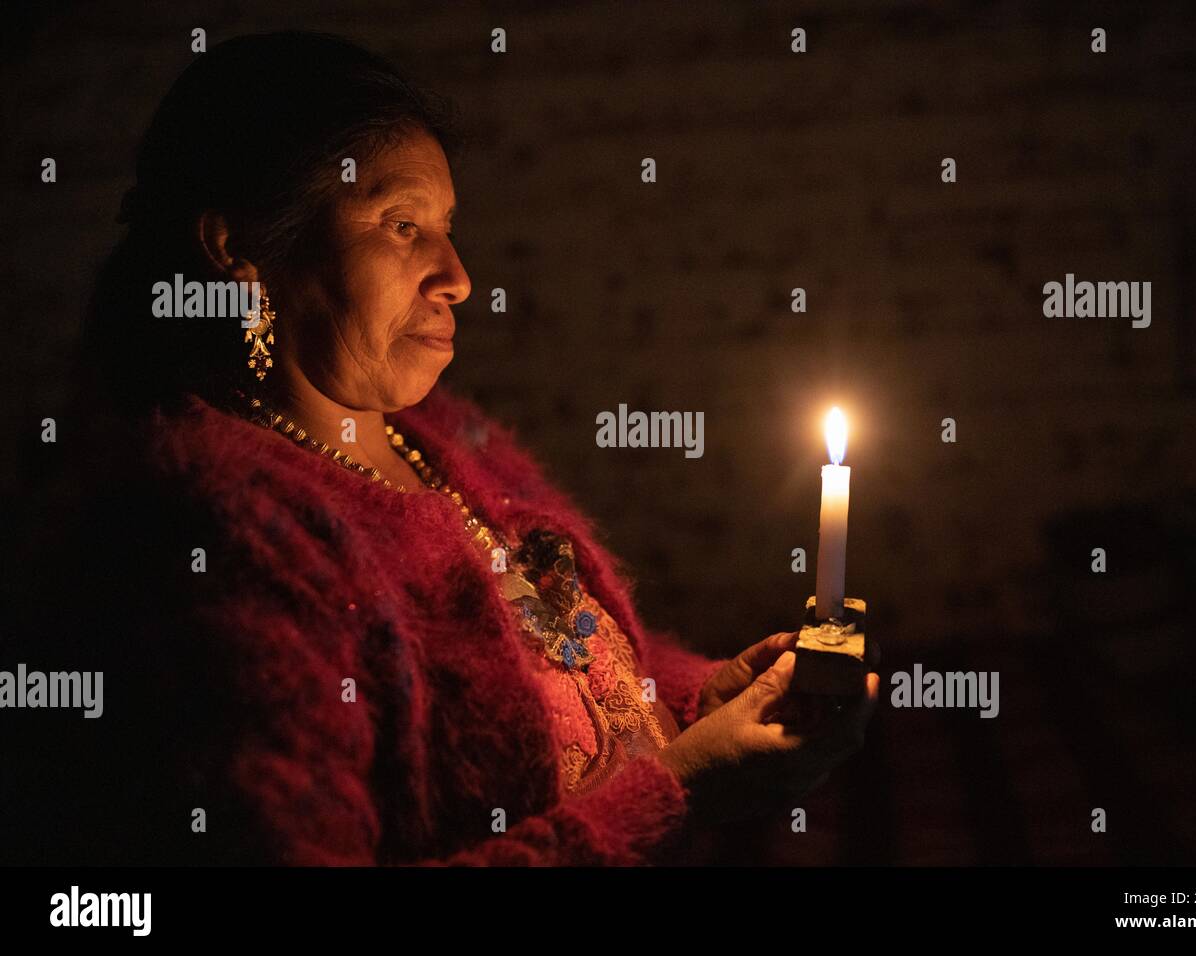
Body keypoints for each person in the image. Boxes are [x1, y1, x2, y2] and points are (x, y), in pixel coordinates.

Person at [2, 31, 879, 866]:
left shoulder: (443, 442)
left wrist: (699, 700)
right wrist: (677, 793)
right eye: (401, 225)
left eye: (447, 224)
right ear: (242, 250)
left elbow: (569, 667)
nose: (458, 275)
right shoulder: (219, 541)